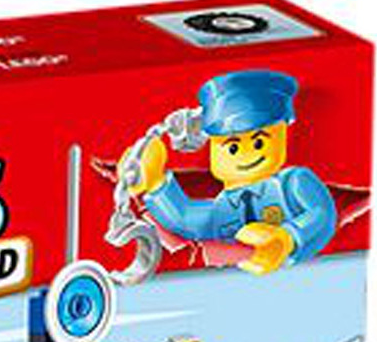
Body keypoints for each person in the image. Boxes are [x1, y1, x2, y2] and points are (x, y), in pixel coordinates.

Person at [124, 70, 336, 275]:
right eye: (233, 147)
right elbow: (185, 219)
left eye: (259, 143)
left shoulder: (293, 183)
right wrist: (155, 183)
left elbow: (321, 215)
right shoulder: (221, 209)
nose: (246, 155)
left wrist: (287, 238)